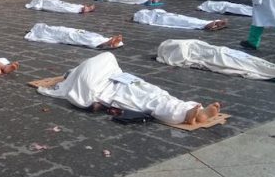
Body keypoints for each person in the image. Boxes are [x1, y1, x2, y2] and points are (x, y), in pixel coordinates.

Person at [38, 52, 222, 126]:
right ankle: (184, 114)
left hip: (117, 77)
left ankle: (187, 109)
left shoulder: (80, 69)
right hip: (105, 87)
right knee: (141, 98)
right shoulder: (76, 76)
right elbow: (80, 85)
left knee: (152, 90)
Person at [157, 39, 275, 83]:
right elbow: (188, 58)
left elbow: (185, 57)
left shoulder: (185, 44)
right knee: (250, 64)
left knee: (250, 62)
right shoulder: (183, 46)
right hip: (217, 53)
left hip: (219, 52)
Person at [24, 22, 124, 49]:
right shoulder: (46, 31)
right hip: (64, 33)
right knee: (80, 37)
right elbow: (51, 37)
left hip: (67, 31)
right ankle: (107, 42)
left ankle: (106, 41)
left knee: (86, 35)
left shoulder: (46, 28)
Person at [133, 8, 228, 31]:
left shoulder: (143, 11)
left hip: (166, 15)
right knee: (184, 22)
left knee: (187, 19)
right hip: (162, 19)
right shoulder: (140, 16)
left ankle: (207, 23)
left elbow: (159, 10)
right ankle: (206, 25)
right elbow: (148, 20)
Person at [25, 0, 95, 13]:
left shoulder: (43, 0)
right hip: (53, 3)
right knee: (63, 6)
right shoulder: (42, 0)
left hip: (53, 3)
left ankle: (83, 9)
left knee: (63, 5)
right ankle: (83, 9)